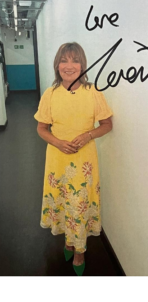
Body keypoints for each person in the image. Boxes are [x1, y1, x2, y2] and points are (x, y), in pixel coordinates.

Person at [34, 42, 113, 276]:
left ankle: (79, 250)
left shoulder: (93, 93)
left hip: (83, 160)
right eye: (64, 60)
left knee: (78, 203)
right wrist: (58, 142)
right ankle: (68, 241)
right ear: (57, 65)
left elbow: (107, 124)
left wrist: (88, 134)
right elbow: (41, 128)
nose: (69, 66)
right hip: (57, 158)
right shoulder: (50, 94)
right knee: (62, 199)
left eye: (75, 60)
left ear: (83, 64)